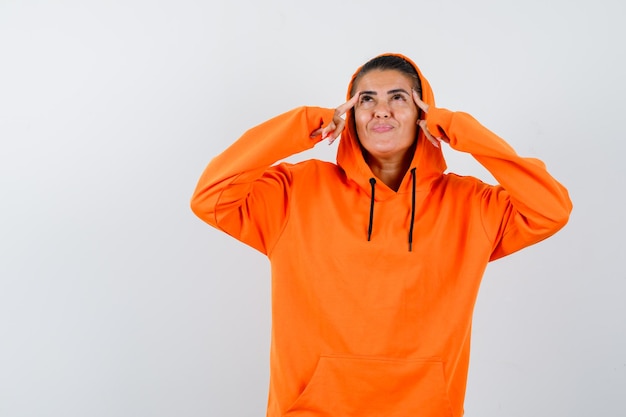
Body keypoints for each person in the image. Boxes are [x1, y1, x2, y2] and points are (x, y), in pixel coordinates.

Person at [190, 53, 572, 417]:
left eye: (398, 98)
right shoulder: (294, 192)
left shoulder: (471, 205)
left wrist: (460, 130)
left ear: (425, 113)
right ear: (350, 114)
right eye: (366, 100)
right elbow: (211, 196)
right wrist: (306, 124)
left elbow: (551, 208)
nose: (381, 110)